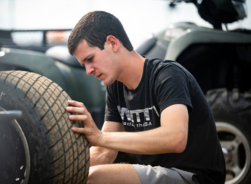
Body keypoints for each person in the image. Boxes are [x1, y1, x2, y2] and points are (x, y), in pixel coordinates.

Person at [66, 11, 225, 184]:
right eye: (84, 64)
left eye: (90, 59)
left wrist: (100, 137)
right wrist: (56, 171)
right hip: (161, 174)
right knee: (79, 176)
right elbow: (104, 152)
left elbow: (175, 138)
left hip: (194, 178)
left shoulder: (168, 75)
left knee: (94, 178)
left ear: (112, 43)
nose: (88, 71)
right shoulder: (115, 88)